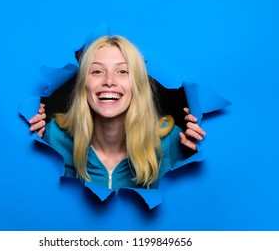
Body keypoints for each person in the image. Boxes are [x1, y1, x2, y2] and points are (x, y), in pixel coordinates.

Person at [29, 35, 205, 189]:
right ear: (83, 85)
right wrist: (32, 139)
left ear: (138, 86)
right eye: (97, 71)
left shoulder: (171, 141)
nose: (109, 81)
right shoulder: (55, 136)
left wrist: (193, 162)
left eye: (122, 71)